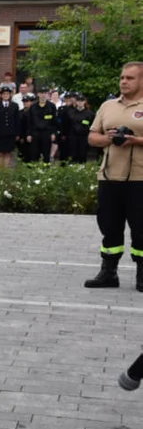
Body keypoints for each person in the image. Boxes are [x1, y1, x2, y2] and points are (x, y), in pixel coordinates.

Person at [83, 62, 143, 292]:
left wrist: (135, 140)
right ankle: (108, 273)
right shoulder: (108, 106)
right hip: (109, 177)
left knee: (141, 229)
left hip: (140, 179)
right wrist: (109, 138)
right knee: (109, 226)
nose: (124, 82)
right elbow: (92, 138)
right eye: (122, 78)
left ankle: (142, 274)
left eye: (130, 78)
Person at [0, 85, 21, 168]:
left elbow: (17, 120)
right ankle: (0, 172)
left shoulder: (15, 106)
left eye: (7, 94)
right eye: (4, 94)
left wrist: (17, 133)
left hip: (10, 133)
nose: (6, 95)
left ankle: (6, 171)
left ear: (10, 95)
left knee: (8, 153)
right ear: (1, 95)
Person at [26, 88, 58, 163]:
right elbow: (29, 122)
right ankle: (35, 170)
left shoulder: (52, 106)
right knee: (34, 153)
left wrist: (53, 133)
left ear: (47, 95)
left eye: (45, 93)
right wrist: (28, 134)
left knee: (46, 153)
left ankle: (46, 170)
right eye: (41, 93)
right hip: (35, 133)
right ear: (38, 94)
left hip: (47, 133)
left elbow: (54, 122)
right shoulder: (33, 106)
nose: (43, 95)